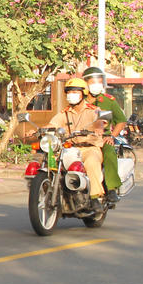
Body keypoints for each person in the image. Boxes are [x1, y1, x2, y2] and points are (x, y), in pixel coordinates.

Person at [45, 77, 108, 210]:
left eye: (75, 92)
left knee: (92, 162)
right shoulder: (64, 113)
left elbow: (100, 121)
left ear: (83, 93)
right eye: (69, 92)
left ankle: (95, 197)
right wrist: (38, 130)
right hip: (70, 149)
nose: (71, 95)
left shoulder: (93, 109)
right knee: (51, 162)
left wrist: (98, 127)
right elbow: (52, 124)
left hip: (90, 148)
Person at [81, 67, 127, 202]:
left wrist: (112, 136)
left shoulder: (108, 101)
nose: (97, 85)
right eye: (94, 82)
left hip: (102, 137)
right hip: (81, 137)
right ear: (85, 84)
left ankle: (111, 188)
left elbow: (121, 121)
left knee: (109, 151)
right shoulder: (79, 100)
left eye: (100, 82)